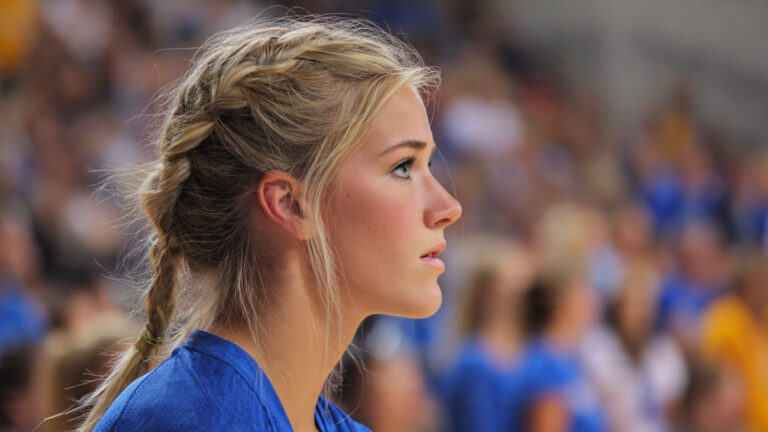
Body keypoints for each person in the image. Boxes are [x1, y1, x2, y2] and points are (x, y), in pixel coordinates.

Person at [77, 15, 461, 432]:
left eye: (427, 165)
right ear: (290, 205)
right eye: (403, 167)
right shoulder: (189, 420)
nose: (448, 207)